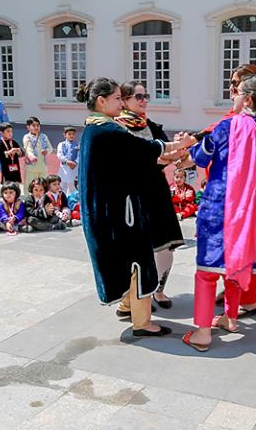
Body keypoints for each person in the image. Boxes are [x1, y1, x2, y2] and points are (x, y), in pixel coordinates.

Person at [76, 78, 195, 340]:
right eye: (119, 98)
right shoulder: (108, 131)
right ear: (102, 101)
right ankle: (143, 322)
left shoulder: (96, 129)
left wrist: (172, 152)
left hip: (111, 210)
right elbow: (145, 149)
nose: (124, 102)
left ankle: (127, 305)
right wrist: (182, 144)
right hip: (120, 210)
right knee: (139, 260)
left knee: (128, 259)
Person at [183, 75, 256, 352]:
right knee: (236, 266)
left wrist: (188, 143)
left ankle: (203, 332)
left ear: (248, 99)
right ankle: (230, 317)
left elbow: (200, 158)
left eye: (236, 92)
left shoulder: (228, 127)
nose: (232, 96)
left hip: (223, 209)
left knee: (208, 272)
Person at [115, 80, 187, 310]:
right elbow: (142, 158)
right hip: (132, 196)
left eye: (146, 96)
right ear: (124, 100)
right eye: (138, 96)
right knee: (135, 249)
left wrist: (181, 148)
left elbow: (169, 153)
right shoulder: (117, 129)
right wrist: (164, 154)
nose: (144, 100)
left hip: (156, 190)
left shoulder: (152, 126)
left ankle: (158, 290)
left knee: (165, 245)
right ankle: (134, 299)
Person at [23, 116, 53, 189]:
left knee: (44, 185)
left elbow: (50, 148)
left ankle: (43, 199)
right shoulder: (27, 137)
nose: (36, 127)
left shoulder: (43, 136)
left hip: (43, 167)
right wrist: (32, 156)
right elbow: (28, 149)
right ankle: (29, 199)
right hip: (31, 167)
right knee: (29, 185)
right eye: (33, 125)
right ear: (28, 127)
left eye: (38, 125)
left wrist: (47, 151)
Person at [57, 126, 79, 193]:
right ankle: (61, 201)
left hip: (74, 168)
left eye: (73, 134)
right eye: (69, 134)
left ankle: (72, 202)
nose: (71, 136)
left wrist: (75, 162)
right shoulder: (61, 144)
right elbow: (59, 155)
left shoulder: (77, 145)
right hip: (64, 168)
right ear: (65, 135)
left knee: (73, 187)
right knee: (62, 186)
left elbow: (79, 155)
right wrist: (67, 162)